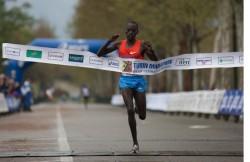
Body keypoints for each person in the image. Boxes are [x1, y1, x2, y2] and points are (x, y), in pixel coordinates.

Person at [97, 21, 158, 153]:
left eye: (132, 31)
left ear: (137, 32)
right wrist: (109, 40)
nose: (130, 33)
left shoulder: (141, 45)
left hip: (139, 81)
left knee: (142, 116)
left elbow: (155, 61)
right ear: (125, 32)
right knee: (130, 110)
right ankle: (135, 143)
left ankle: (139, 108)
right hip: (125, 81)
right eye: (128, 31)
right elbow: (99, 54)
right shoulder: (120, 44)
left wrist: (151, 50)